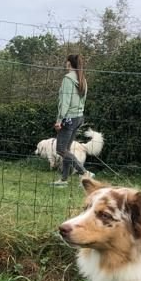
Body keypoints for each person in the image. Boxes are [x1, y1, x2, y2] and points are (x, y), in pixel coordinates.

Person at [52, 54, 92, 187]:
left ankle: (85, 173)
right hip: (79, 117)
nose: (65, 64)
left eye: (66, 62)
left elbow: (65, 101)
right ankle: (64, 180)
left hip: (68, 118)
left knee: (61, 150)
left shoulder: (68, 79)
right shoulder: (82, 79)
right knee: (67, 149)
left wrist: (59, 120)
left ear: (69, 63)